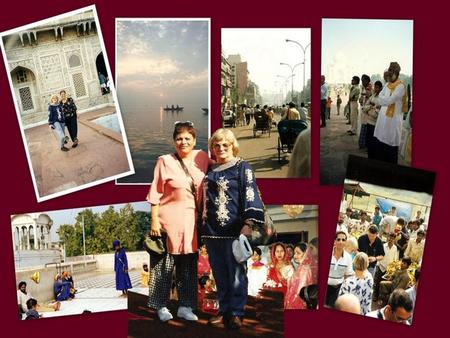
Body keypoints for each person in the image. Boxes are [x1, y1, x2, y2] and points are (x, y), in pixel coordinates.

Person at [202, 128, 265, 330]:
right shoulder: (210, 171)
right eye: (216, 145)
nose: (220, 148)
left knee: (238, 275)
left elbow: (250, 194)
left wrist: (248, 224)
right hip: (212, 232)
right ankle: (224, 310)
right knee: (219, 274)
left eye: (225, 145)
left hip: (234, 231)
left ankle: (237, 313)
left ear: (233, 146)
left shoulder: (242, 167)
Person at [147, 121, 209, 322]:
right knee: (163, 267)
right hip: (167, 222)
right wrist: (154, 222)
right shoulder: (164, 161)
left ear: (194, 140)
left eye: (187, 139)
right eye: (179, 138)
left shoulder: (202, 157)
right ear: (174, 141)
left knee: (188, 268)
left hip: (191, 224)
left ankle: (185, 306)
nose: (183, 142)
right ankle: (161, 306)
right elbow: (155, 193)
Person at [373, 62, 407, 164]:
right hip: (382, 122)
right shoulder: (387, 84)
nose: (390, 72)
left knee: (390, 153)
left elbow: (388, 101)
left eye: (392, 70)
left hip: (392, 124)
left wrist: (383, 99)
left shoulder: (400, 87)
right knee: (381, 151)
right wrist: (384, 99)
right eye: (389, 70)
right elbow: (380, 97)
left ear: (397, 73)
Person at [285, 238, 318, 309]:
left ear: (306, 254)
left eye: (298, 253)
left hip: (298, 302)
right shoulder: (303, 267)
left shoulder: (305, 269)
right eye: (295, 253)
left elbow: (299, 290)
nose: (295, 256)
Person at [326, 231, 354, 307]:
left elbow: (349, 275)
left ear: (346, 242)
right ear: (334, 241)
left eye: (343, 240)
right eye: (338, 239)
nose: (341, 242)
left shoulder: (348, 257)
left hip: (337, 290)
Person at [373, 232, 399, 302]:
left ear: (394, 239)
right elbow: (379, 255)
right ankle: (375, 295)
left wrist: (393, 268)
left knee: (384, 283)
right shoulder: (383, 246)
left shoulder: (395, 248)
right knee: (378, 282)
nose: (390, 239)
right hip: (381, 266)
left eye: (392, 238)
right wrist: (378, 265)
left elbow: (395, 259)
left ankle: (381, 297)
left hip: (388, 269)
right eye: (390, 237)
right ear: (387, 237)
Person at [363, 81, 382, 158]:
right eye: (375, 87)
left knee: (374, 144)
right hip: (369, 122)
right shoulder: (373, 96)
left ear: (380, 88)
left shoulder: (381, 98)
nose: (375, 89)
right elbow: (364, 108)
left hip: (375, 124)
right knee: (369, 144)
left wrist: (370, 110)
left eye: (377, 87)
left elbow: (376, 114)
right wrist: (372, 107)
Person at [358, 74, 372, 149]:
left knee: (366, 128)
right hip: (364, 110)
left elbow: (370, 99)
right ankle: (363, 144)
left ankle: (364, 144)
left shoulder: (370, 88)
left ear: (367, 80)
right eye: (361, 80)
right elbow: (361, 99)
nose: (362, 82)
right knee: (363, 126)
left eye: (363, 80)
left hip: (368, 111)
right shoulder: (364, 88)